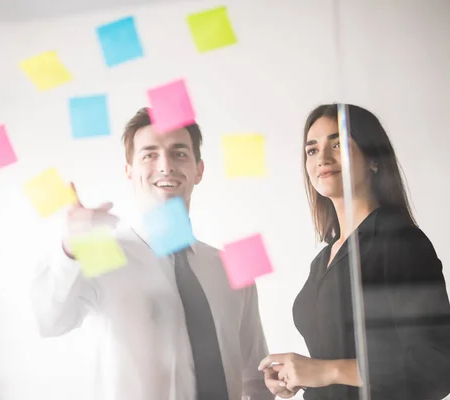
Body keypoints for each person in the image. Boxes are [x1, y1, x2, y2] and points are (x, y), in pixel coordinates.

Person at [31, 107, 273, 400]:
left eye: (179, 153)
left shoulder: (231, 268)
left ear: (199, 170)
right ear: (129, 172)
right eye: (149, 154)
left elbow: (256, 380)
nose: (165, 165)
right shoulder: (102, 256)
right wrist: (71, 247)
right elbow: (49, 321)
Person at [258, 104, 450, 400]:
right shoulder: (321, 261)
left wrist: (326, 371)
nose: (322, 158)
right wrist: (297, 375)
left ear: (374, 158)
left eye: (338, 144)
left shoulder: (398, 241)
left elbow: (436, 366)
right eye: (312, 150)